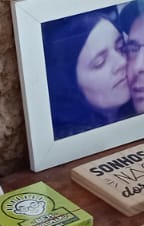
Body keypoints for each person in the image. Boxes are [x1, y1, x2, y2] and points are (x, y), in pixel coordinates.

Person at [43, 9, 132, 139]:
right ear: (72, 85)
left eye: (121, 48)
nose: (122, 62)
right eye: (100, 62)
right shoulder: (75, 142)